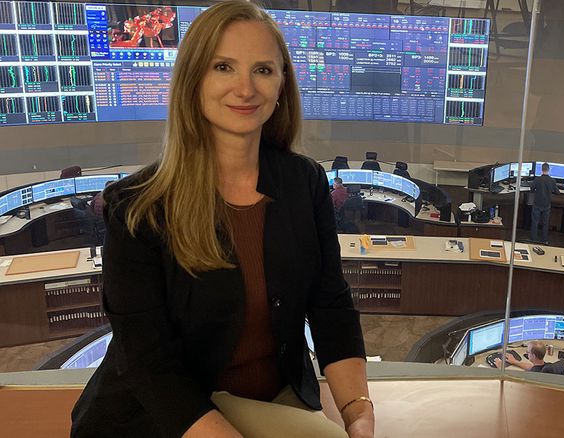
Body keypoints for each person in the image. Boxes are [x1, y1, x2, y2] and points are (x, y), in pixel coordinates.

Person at [71, 2, 374, 437]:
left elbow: (331, 306)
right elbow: (148, 361)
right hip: (167, 412)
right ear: (194, 78)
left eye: (263, 70)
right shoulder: (136, 206)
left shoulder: (304, 182)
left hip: (270, 400)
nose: (245, 88)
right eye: (224, 66)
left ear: (282, 83)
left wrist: (357, 412)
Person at [494, 341, 564, 374]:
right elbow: (532, 367)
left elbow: (509, 382)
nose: (526, 353)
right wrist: (515, 361)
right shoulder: (547, 367)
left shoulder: (532, 376)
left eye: (528, 352)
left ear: (534, 355)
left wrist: (500, 369)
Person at [530, 162, 559, 244]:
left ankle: (533, 239)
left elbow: (531, 189)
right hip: (546, 205)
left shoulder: (537, 179)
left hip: (537, 204)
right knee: (545, 223)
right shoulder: (552, 181)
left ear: (541, 169)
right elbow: (557, 192)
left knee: (535, 222)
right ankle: (544, 240)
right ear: (548, 170)